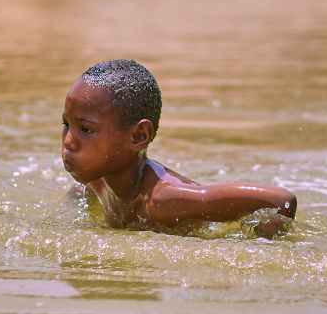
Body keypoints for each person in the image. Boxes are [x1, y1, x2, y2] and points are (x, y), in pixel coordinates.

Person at [61, 60, 296, 238]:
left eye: (86, 129)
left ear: (138, 137)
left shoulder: (163, 200)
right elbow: (78, 193)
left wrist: (260, 247)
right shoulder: (97, 181)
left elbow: (281, 201)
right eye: (66, 125)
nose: (68, 141)